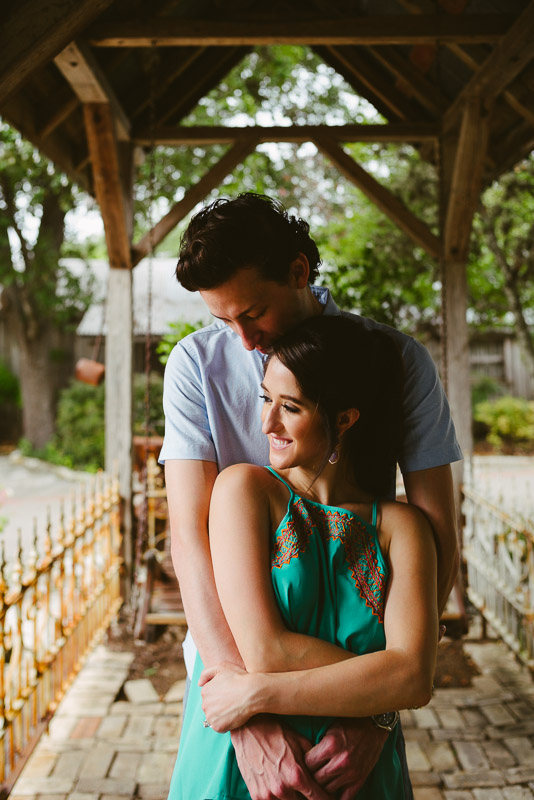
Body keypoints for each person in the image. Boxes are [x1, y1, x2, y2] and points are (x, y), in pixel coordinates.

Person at [160, 193, 462, 799]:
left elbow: (437, 535)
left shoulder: (398, 362)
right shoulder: (196, 365)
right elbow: (191, 545)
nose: (243, 341)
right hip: (231, 668)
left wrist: (375, 709)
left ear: (298, 272)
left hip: (358, 673)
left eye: (253, 312)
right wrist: (249, 713)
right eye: (225, 322)